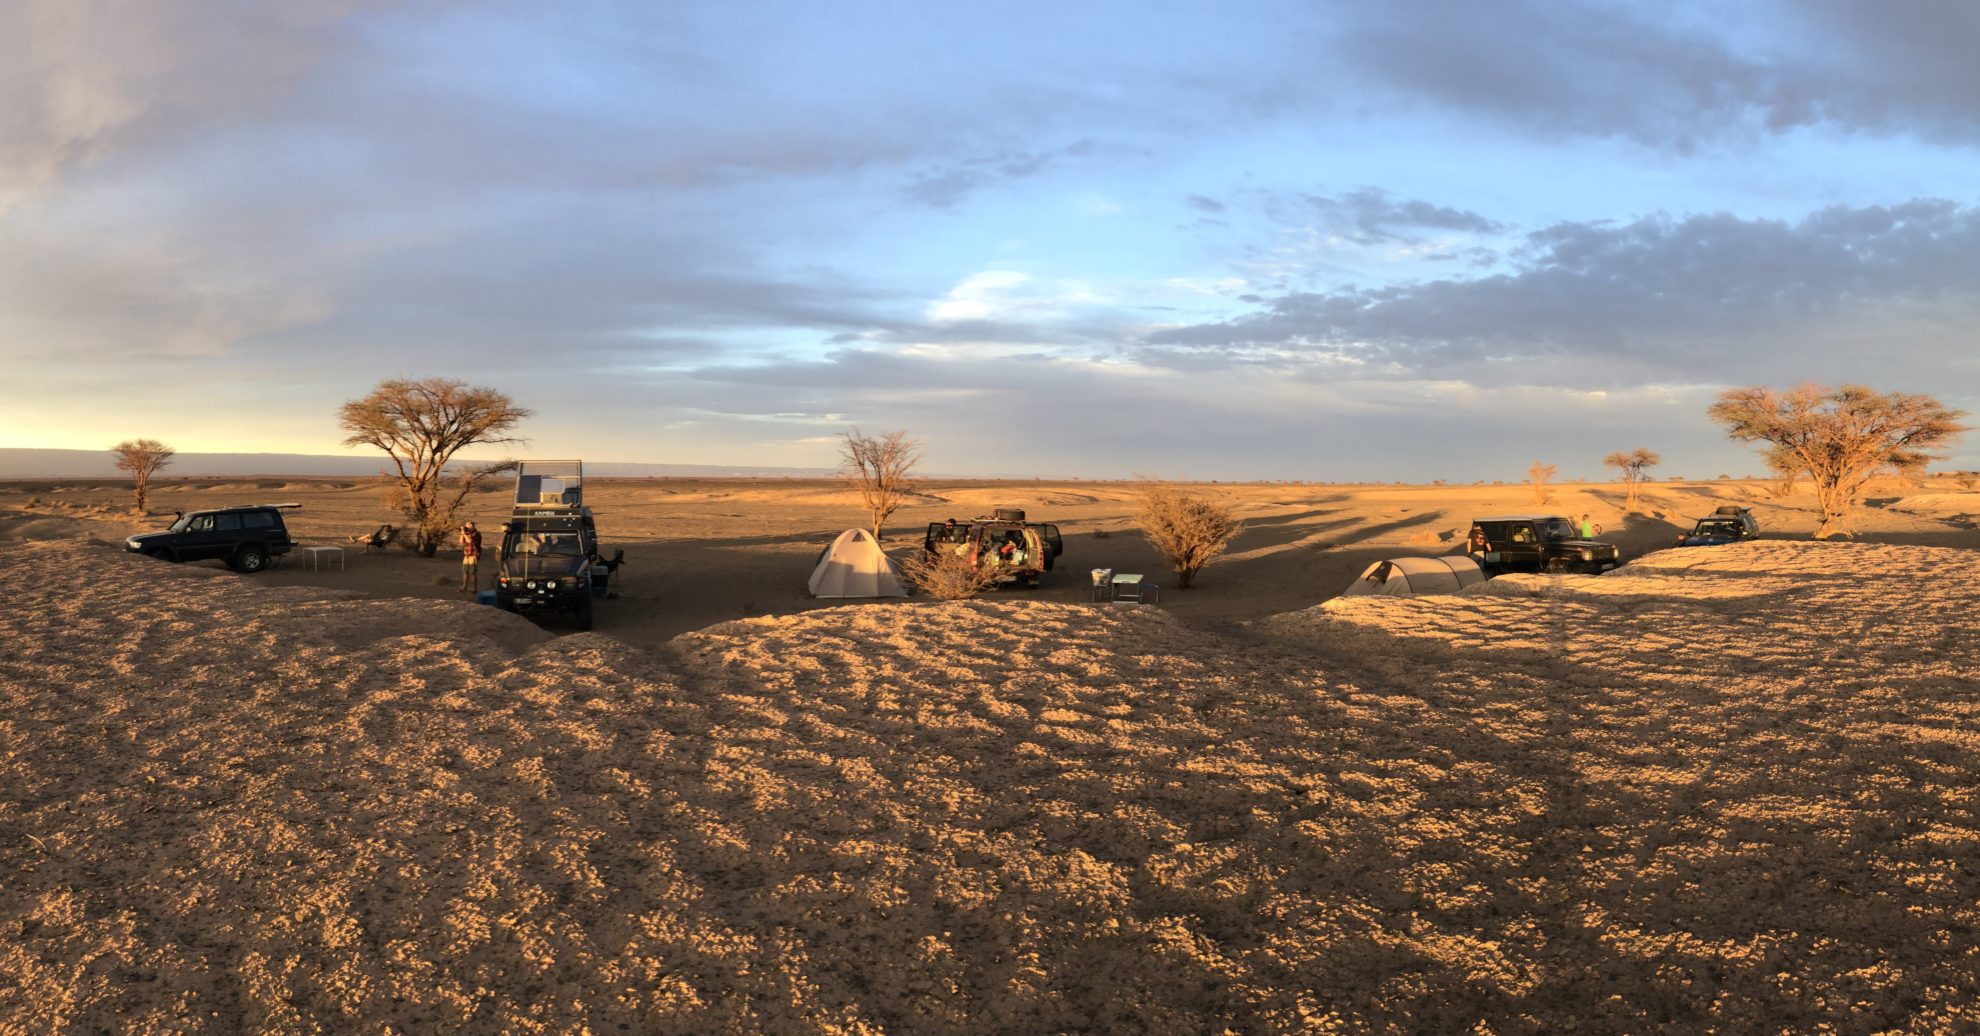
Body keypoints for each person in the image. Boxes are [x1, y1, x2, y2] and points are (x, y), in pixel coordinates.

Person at [459, 521, 482, 592]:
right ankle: (464, 587)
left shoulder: (477, 534)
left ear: (472, 526)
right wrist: (462, 534)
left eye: (467, 526)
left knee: (472, 572)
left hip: (474, 554)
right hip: (467, 554)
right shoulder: (467, 533)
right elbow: (460, 542)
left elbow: (470, 541)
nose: (466, 528)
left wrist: (464, 533)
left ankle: (475, 589)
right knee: (465, 571)